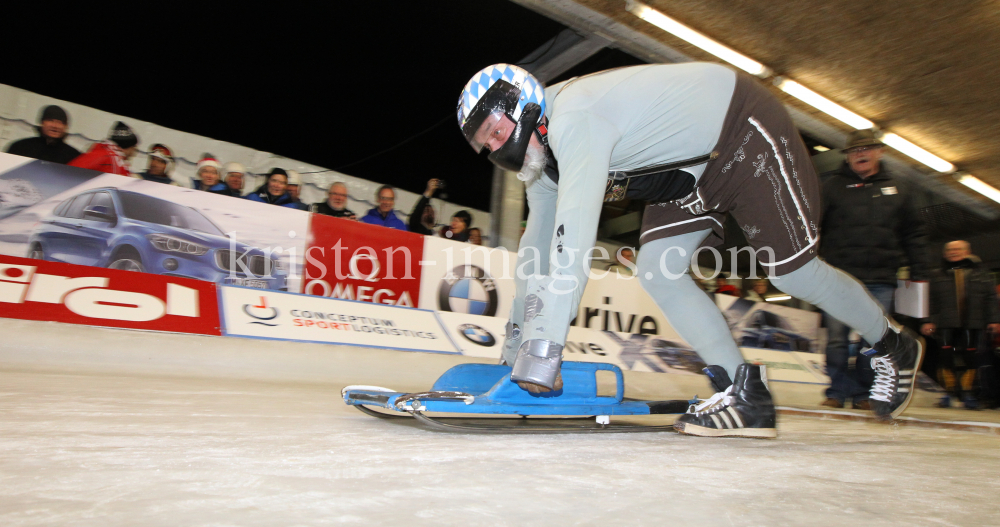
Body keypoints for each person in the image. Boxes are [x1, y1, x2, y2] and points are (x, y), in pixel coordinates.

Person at [457, 63, 923, 438]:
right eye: (485, 144)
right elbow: (535, 251)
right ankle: (744, 394)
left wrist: (544, 350)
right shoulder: (543, 160)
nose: (497, 147)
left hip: (743, 128)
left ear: (523, 105)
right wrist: (515, 344)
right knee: (658, 270)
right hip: (690, 171)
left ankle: (893, 344)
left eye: (497, 131)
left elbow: (573, 240)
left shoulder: (573, 119)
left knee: (791, 272)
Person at [818, 129, 931, 410]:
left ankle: (864, 394)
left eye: (867, 149)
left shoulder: (900, 189)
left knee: (873, 339)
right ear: (847, 156)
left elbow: (914, 235)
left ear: (880, 152)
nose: (861, 154)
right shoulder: (831, 187)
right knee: (836, 340)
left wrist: (919, 273)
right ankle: (837, 391)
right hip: (837, 278)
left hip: (881, 277)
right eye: (855, 151)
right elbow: (812, 227)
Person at [921, 241, 1000, 409]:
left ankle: (968, 394)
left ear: (967, 252)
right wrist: (927, 320)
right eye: (950, 250)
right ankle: (948, 394)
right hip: (945, 323)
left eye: (957, 249)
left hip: (973, 322)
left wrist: (994, 320)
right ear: (944, 254)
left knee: (972, 359)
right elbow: (929, 300)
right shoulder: (936, 275)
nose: (953, 252)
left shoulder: (982, 274)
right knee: (944, 358)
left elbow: (990, 299)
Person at [5, 105, 80, 164]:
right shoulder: (20, 147)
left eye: (61, 122)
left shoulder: (74, 156)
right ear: (42, 123)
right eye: (50, 120)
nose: (55, 126)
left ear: (66, 127)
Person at [68, 121, 138, 176]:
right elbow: (70, 171)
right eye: (134, 147)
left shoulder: (117, 161)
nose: (134, 152)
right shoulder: (105, 155)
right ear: (127, 146)